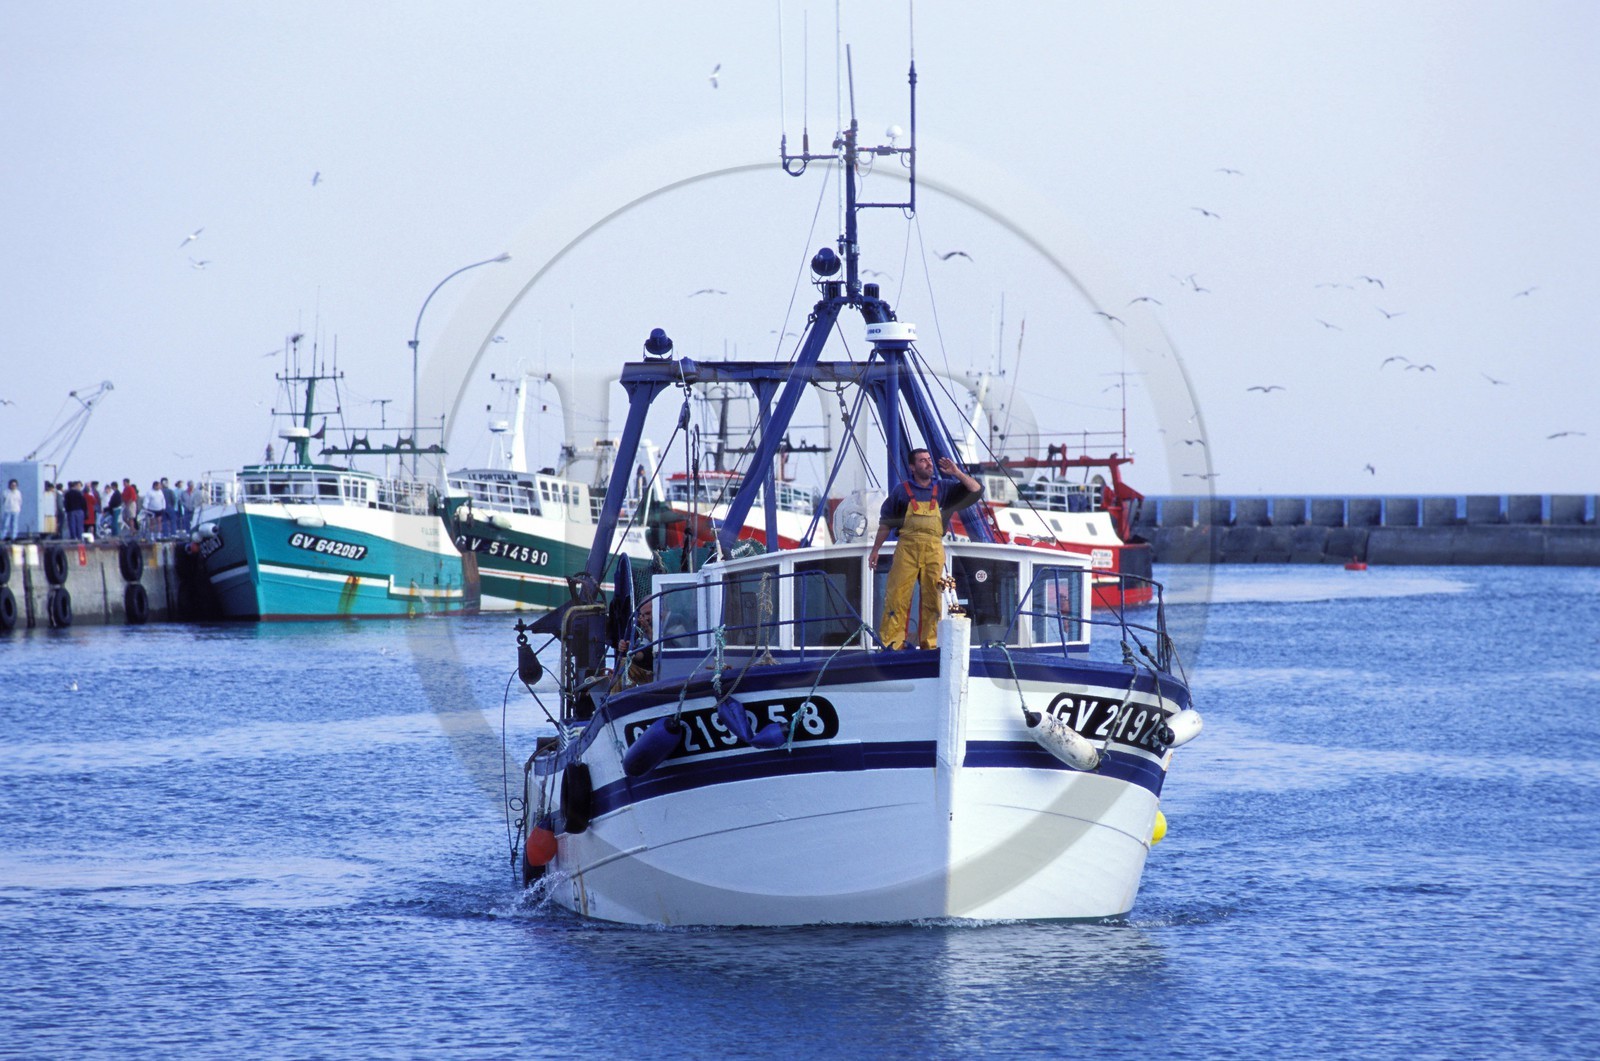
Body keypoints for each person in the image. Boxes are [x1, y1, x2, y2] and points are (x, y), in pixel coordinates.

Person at [867, 448, 983, 651]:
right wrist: (875, 550)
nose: (928, 463)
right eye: (922, 461)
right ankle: (892, 644)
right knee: (897, 597)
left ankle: (930, 645)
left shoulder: (945, 488)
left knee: (933, 598)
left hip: (934, 548)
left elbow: (976, 490)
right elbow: (885, 523)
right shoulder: (901, 491)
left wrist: (956, 472)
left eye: (929, 460)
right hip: (907, 548)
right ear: (912, 467)